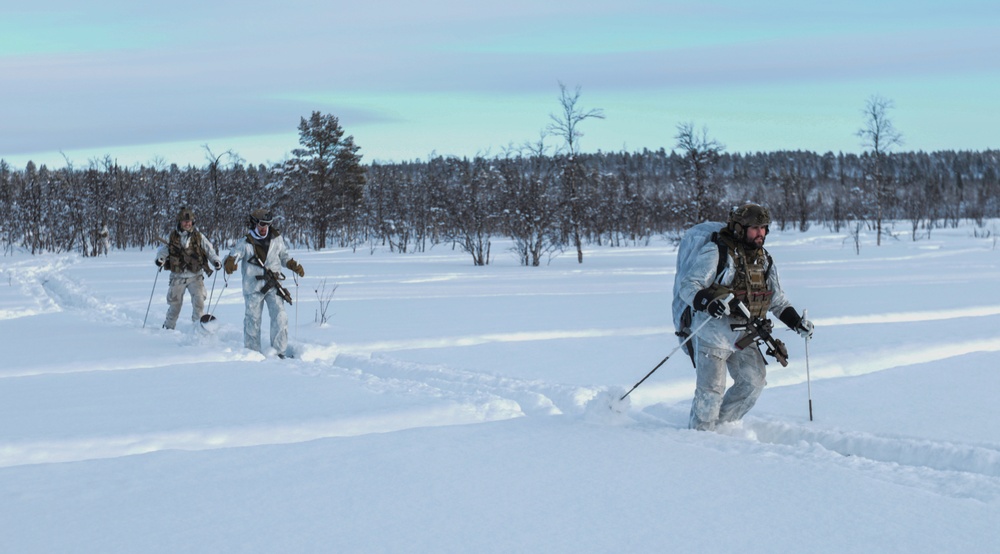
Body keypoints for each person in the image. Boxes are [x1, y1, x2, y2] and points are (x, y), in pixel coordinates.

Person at [676, 203, 814, 431]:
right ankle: (700, 436)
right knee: (711, 392)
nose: (761, 233)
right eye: (755, 228)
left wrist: (797, 323)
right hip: (712, 335)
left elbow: (777, 300)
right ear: (740, 228)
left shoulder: (765, 260)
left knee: (753, 383)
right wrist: (709, 302)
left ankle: (722, 428)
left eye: (764, 228)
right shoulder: (716, 252)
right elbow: (689, 286)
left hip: (744, 336)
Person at [224, 209, 305, 358]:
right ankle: (252, 352)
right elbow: (234, 255)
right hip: (252, 287)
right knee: (252, 319)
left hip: (273, 285)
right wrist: (229, 263)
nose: (264, 227)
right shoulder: (245, 242)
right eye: (262, 224)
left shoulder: (276, 238)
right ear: (255, 223)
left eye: (268, 224)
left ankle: (279, 351)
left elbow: (284, 256)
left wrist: (292, 264)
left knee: (280, 316)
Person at [154, 207, 223, 330]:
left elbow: (209, 250)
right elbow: (164, 251)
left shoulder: (198, 236)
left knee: (199, 303)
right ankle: (168, 329)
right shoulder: (172, 236)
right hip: (177, 277)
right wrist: (160, 259)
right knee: (175, 306)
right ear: (180, 222)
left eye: (189, 221)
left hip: (195, 276)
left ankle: (198, 329)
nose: (187, 223)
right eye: (185, 221)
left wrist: (216, 261)